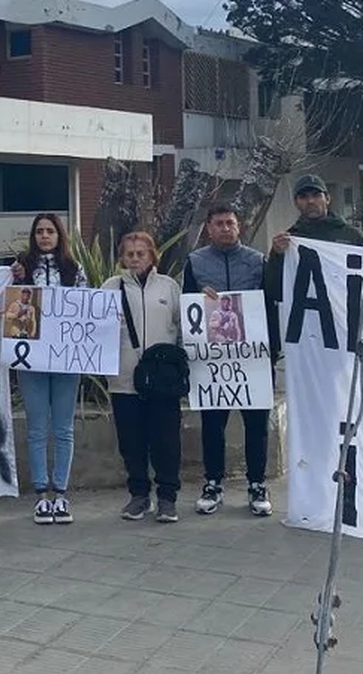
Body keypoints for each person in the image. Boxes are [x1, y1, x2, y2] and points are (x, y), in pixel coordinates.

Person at [183, 203, 271, 516]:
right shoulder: (195, 261)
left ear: (239, 226)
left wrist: (271, 349)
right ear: (209, 228)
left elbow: (269, 303)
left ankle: (257, 483)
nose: (225, 228)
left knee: (257, 424)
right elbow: (187, 304)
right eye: (219, 223)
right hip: (212, 359)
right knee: (212, 424)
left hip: (252, 357)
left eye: (230, 223)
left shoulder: (257, 260)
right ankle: (213, 483)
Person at [11, 213, 88, 524]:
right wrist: (16, 279)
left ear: (60, 235)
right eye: (39, 231)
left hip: (66, 358)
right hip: (31, 358)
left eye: (50, 231)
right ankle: (41, 495)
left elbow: (87, 307)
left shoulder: (74, 269)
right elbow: (10, 308)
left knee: (64, 428)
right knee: (37, 428)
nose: (44, 236)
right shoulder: (21, 268)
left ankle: (61, 493)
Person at [101, 232, 183, 523]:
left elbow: (182, 327)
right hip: (124, 381)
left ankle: (167, 498)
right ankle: (139, 496)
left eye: (141, 253)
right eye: (130, 254)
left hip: (163, 382)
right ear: (122, 258)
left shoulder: (169, 287)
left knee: (166, 441)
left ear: (152, 256)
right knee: (131, 442)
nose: (135, 258)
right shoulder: (110, 288)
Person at [265, 174, 363, 357]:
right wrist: (276, 255)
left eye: (316, 195)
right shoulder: (289, 241)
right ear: (296, 202)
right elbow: (275, 290)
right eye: (303, 197)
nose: (310, 201)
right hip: (309, 333)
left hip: (346, 325)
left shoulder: (352, 236)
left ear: (327, 198)